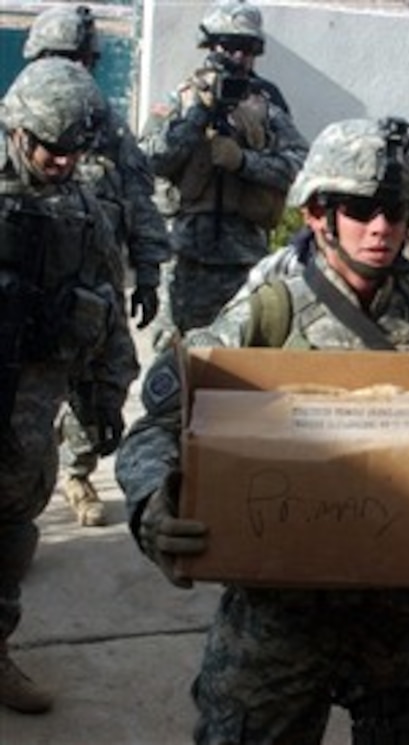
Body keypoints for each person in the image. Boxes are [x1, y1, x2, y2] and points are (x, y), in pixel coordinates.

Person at [115, 117, 409, 744]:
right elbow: (156, 428)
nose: (382, 227)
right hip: (280, 620)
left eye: (396, 210)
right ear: (318, 214)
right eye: (362, 208)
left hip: (400, 622)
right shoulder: (267, 314)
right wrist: (153, 505)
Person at [0, 57, 139, 714]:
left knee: (9, 534)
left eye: (74, 150)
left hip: (29, 405)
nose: (61, 161)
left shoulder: (84, 213)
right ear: (18, 131)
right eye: (51, 147)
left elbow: (106, 305)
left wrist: (104, 398)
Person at [23, 3, 172, 527]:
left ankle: (78, 470)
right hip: (26, 291)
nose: (74, 70)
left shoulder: (108, 130)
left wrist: (149, 271)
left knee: (104, 384)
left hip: (93, 282)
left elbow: (139, 199)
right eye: (62, 58)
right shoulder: (14, 126)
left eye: (83, 59)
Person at [140, 0, 307, 350]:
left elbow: (299, 165)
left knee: (238, 363)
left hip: (243, 259)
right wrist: (197, 117)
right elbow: (151, 160)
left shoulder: (266, 104)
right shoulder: (185, 98)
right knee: (171, 358)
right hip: (186, 257)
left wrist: (243, 162)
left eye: (246, 48)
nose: (237, 56)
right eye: (228, 46)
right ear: (210, 47)